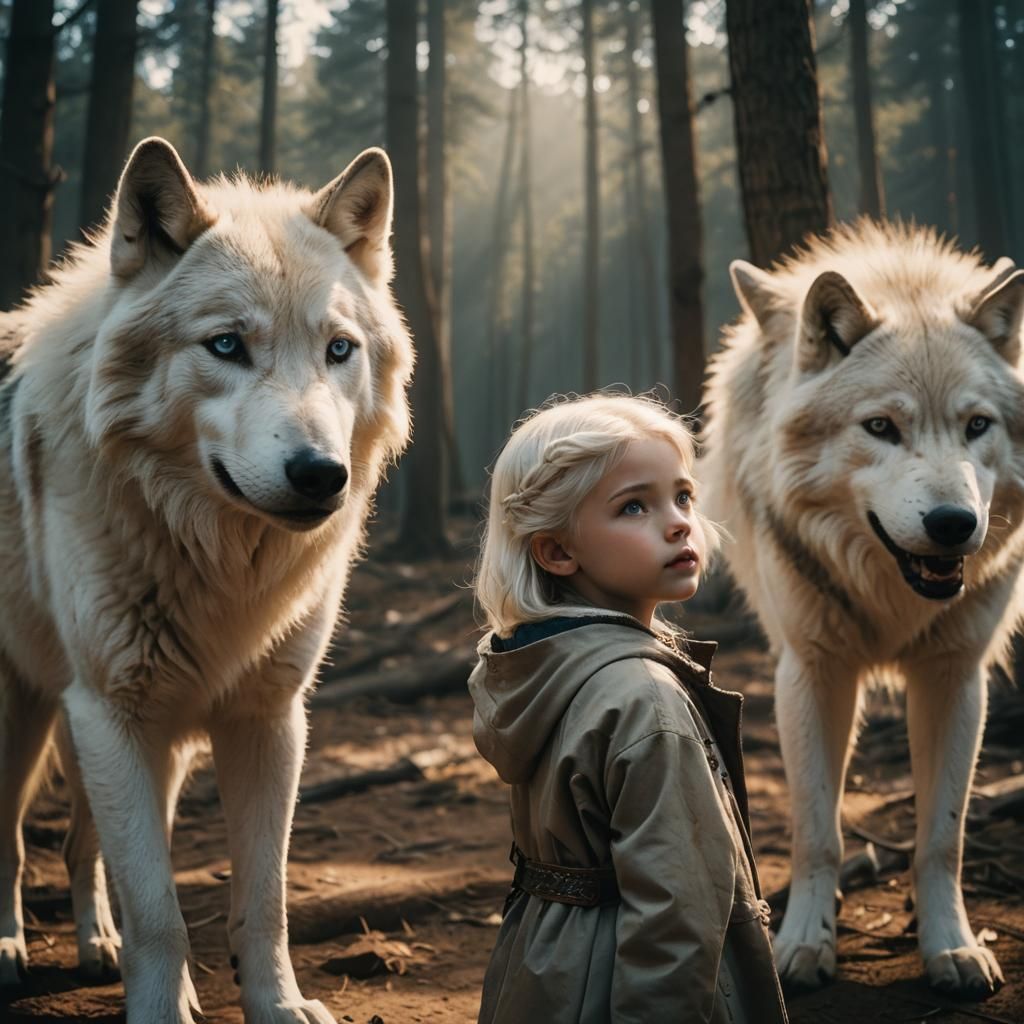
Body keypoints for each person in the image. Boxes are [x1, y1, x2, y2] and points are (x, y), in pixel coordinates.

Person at [469, 392, 788, 1024]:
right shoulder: (646, 700)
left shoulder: (535, 667)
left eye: (683, 497)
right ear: (557, 551)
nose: (679, 523)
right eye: (634, 506)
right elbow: (677, 920)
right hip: (621, 984)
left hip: (543, 973)